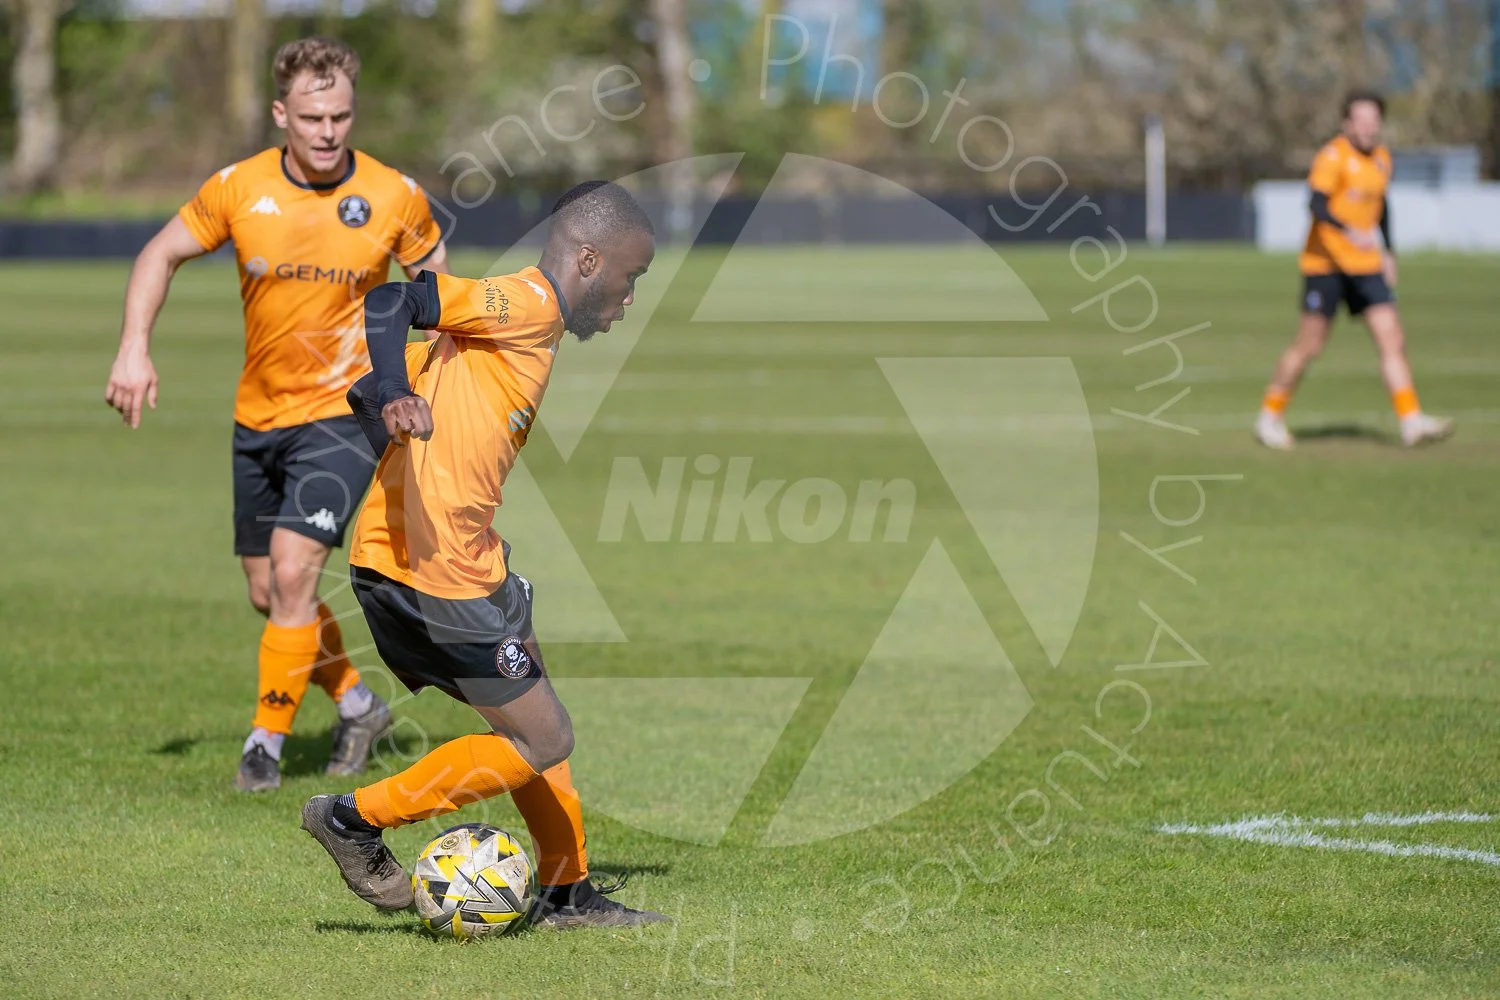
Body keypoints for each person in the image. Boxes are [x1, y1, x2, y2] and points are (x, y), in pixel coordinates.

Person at [300, 180, 668, 930]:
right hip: (433, 568)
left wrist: (388, 400)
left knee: (532, 707)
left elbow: (365, 392)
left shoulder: (522, 330)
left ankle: (569, 893)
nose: (629, 299)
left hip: (462, 557)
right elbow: (391, 303)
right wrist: (401, 394)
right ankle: (352, 817)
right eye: (630, 279)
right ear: (589, 260)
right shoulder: (526, 302)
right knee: (545, 736)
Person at [103, 37, 451, 791]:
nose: (328, 131)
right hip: (258, 414)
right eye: (312, 116)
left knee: (296, 575)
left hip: (344, 415)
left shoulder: (394, 195)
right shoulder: (238, 187)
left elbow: (439, 293)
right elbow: (157, 255)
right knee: (269, 592)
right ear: (280, 114)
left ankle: (263, 745)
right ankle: (358, 705)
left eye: (341, 115)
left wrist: (424, 383)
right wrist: (134, 347)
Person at [1254, 89, 1452, 450]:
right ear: (1347, 123)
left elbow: (1383, 206)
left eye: (1373, 120)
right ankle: (1269, 416)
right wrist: (1349, 230)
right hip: (1325, 265)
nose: (1368, 127)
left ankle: (1411, 421)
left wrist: (1388, 251)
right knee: (1309, 345)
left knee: (1392, 338)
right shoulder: (1332, 156)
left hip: (1366, 266)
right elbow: (1315, 203)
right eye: (1360, 120)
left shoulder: (1381, 159)